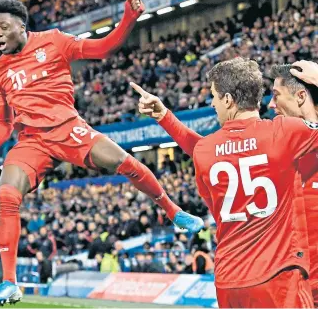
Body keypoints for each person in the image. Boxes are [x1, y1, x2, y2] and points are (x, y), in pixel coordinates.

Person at [0, 0, 204, 306]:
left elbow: (102, 49)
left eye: (3, 27)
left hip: (68, 128)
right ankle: (10, 283)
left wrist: (128, 19)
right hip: (31, 141)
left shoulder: (54, 41)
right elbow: (3, 123)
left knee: (126, 163)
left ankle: (174, 213)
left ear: (22, 26)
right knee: (7, 196)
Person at [131, 57, 318, 308]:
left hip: (233, 279)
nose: (271, 104)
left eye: (214, 97)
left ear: (228, 99)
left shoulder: (211, 149)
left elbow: (205, 150)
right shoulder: (284, 134)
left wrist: (165, 117)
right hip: (281, 277)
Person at [269, 62, 318, 307]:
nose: (270, 104)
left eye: (276, 95)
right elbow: (208, 148)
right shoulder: (278, 142)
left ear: (300, 96)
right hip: (292, 292)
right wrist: (165, 118)